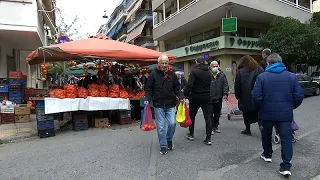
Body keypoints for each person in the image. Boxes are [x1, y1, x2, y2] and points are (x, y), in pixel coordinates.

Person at [252, 53, 304, 177]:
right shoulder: (291, 77)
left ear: (268, 63)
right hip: (285, 114)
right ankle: (286, 166)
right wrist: (290, 106)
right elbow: (299, 96)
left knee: (266, 135)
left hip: (266, 113)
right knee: (286, 139)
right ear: (280, 62)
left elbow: (256, 96)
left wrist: (260, 108)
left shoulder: (262, 77)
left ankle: (267, 155)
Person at [145, 55, 184, 155]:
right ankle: (163, 145)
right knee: (161, 127)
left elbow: (177, 87)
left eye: (166, 63)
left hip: (170, 104)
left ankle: (169, 139)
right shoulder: (153, 74)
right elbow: (149, 89)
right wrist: (147, 99)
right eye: (162, 63)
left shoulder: (172, 74)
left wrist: (181, 96)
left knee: (172, 124)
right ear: (159, 64)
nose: (164, 65)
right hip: (158, 105)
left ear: (168, 63)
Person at [184, 56, 213, 145]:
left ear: (197, 62)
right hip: (207, 96)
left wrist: (186, 95)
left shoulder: (194, 72)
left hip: (195, 97)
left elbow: (189, 86)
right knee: (208, 117)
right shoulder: (209, 72)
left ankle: (191, 134)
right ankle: (208, 138)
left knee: (192, 116)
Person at [235, 55, 263, 136]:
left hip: (244, 98)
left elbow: (237, 86)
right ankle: (262, 128)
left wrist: (238, 96)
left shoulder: (240, 72)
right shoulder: (259, 69)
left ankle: (247, 129)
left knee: (246, 114)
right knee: (258, 114)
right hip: (257, 97)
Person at [209, 61, 229, 134]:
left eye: (216, 66)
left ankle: (215, 126)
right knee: (210, 114)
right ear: (210, 67)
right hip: (209, 98)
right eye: (213, 66)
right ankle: (210, 128)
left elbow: (225, 85)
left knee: (217, 114)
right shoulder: (208, 75)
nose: (215, 68)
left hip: (218, 98)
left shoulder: (222, 75)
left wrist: (225, 93)